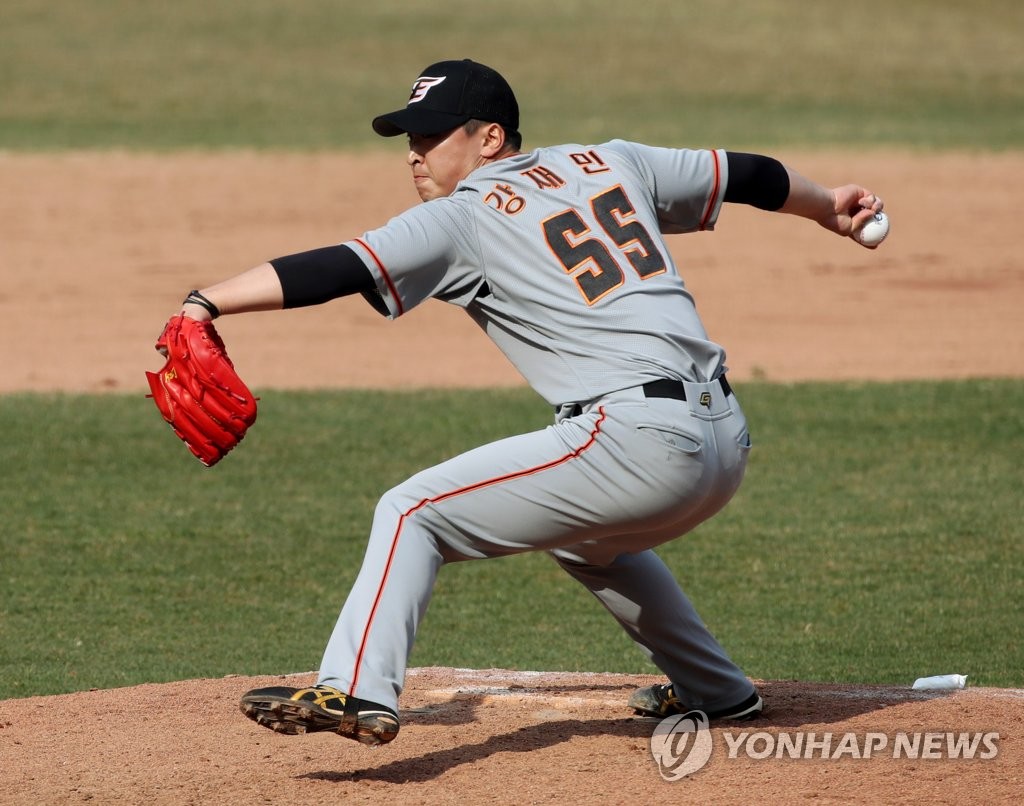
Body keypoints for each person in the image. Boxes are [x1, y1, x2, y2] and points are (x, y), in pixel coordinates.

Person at [165, 59, 885, 747]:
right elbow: (746, 173)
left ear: (490, 138)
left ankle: (354, 689)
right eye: (410, 137)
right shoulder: (610, 160)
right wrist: (828, 207)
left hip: (640, 440)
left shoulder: (464, 215)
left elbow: (337, 267)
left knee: (412, 511)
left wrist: (208, 302)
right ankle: (717, 690)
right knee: (584, 538)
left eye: (432, 134)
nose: (416, 154)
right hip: (724, 439)